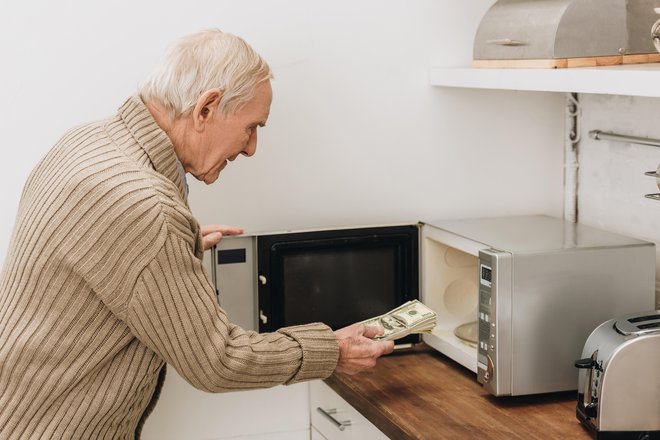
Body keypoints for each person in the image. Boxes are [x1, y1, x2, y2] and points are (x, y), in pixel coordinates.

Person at [0, 29, 394, 439]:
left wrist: (170, 249)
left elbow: (98, 252)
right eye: (251, 127)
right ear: (206, 108)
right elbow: (217, 360)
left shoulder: (87, 141)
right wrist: (330, 350)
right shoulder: (144, 208)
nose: (251, 148)